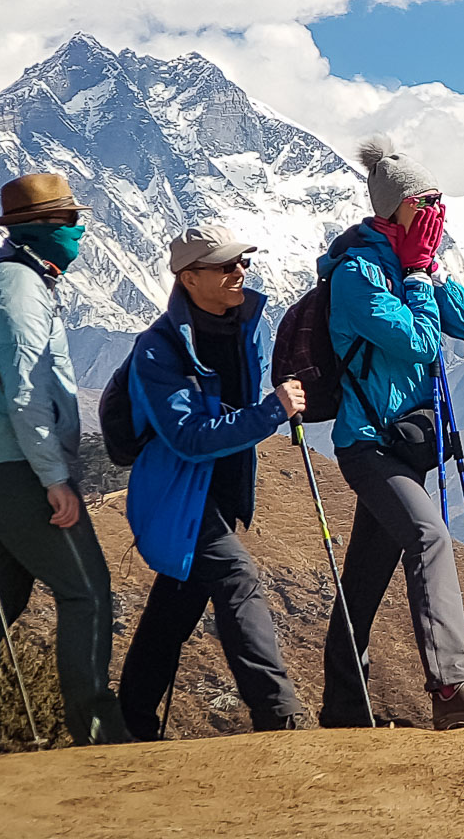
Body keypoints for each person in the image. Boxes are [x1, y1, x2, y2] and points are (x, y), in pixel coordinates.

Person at [318, 135, 464, 730]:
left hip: (406, 446)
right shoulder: (356, 274)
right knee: (431, 538)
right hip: (368, 443)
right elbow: (419, 341)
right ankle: (452, 688)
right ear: (397, 206)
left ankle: (340, 710)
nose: (437, 210)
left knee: (363, 579)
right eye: (427, 201)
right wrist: (414, 274)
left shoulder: (410, 262)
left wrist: (430, 267)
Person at [0, 173, 130, 759]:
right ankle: (97, 736)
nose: (81, 231)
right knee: (87, 591)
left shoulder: (5, 279)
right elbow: (25, 392)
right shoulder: (19, 288)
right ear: (43, 228)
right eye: (72, 222)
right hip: (19, 463)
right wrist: (54, 478)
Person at [117, 225, 309, 738]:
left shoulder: (247, 326)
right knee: (235, 577)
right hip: (178, 492)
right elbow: (187, 437)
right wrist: (271, 412)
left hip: (220, 490)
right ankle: (277, 712)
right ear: (189, 278)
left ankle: (128, 722)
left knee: (174, 608)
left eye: (241, 262)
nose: (238, 272)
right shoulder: (157, 349)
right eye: (225, 266)